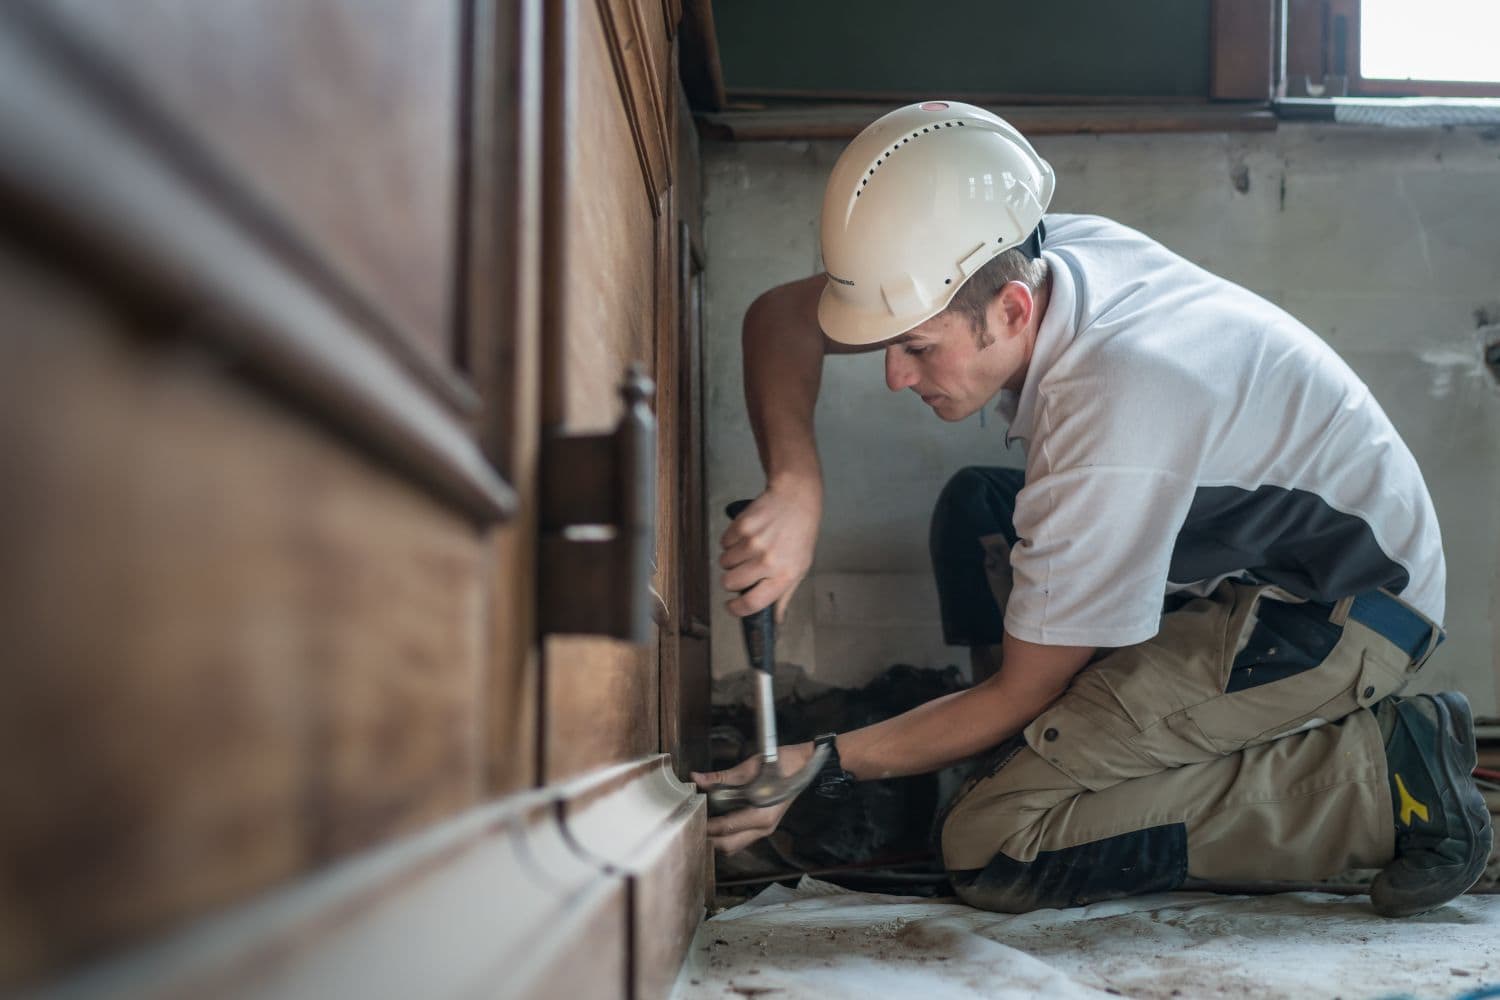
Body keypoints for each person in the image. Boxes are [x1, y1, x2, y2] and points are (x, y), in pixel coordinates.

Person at [692, 100, 1491, 917]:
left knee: (995, 840)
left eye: (917, 349)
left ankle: (1388, 780)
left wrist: (822, 761)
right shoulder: (1029, 249)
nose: (895, 375)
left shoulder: (1113, 404)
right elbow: (783, 315)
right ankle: (1028, 752)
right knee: (980, 508)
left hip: (1333, 612)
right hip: (1236, 545)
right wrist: (797, 487)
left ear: (1011, 313)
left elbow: (1020, 693)